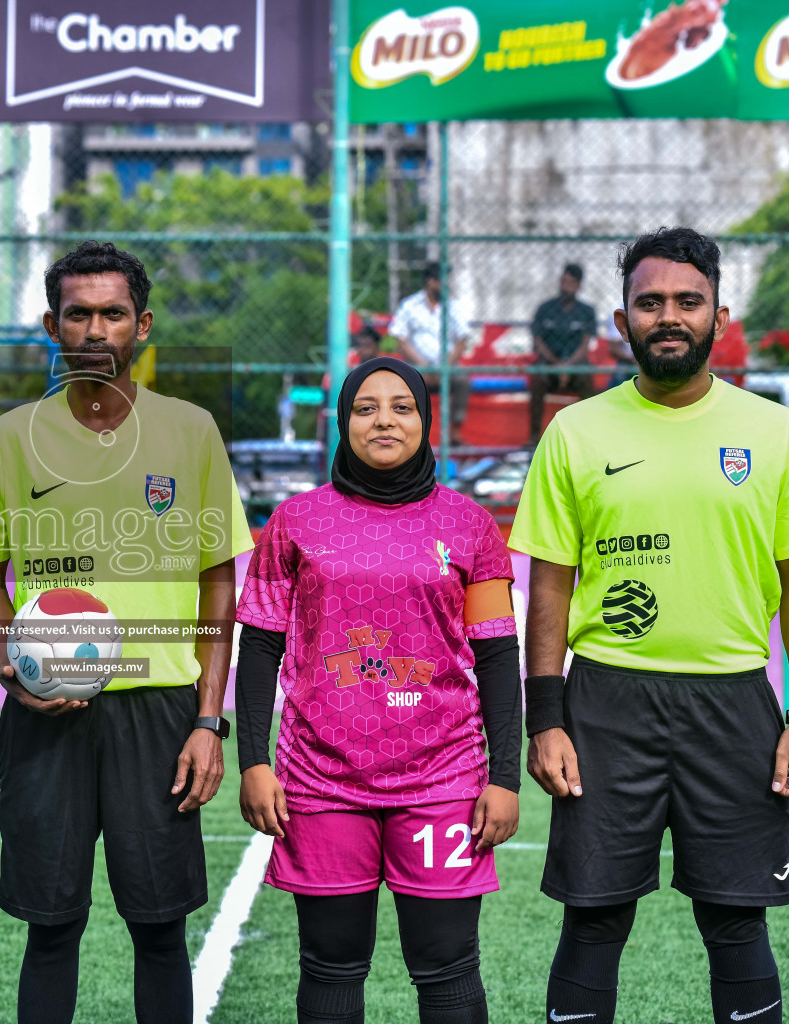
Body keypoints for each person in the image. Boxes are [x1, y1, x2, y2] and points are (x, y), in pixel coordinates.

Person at [511, 227, 789, 1024]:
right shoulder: (576, 432)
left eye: (687, 302)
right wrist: (545, 719)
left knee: (734, 919)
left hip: (733, 701)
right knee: (594, 917)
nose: (669, 317)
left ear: (719, 316)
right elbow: (549, 587)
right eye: (649, 302)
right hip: (606, 704)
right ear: (620, 322)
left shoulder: (772, 432)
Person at [0, 241, 253, 1024]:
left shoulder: (191, 431)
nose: (96, 330)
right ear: (51, 326)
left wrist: (207, 719)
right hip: (44, 716)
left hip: (160, 712)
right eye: (79, 314)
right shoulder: (11, 436)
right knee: (51, 930)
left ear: (143, 325)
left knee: (159, 930)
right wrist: (9, 667)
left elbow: (217, 581)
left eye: (113, 313)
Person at [235, 357, 522, 1024]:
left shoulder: (471, 526)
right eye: (366, 408)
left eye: (402, 407)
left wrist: (504, 777)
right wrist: (254, 761)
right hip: (322, 780)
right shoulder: (295, 522)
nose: (385, 420)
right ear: (342, 423)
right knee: (331, 967)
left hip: (445, 779)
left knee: (448, 968)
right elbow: (260, 646)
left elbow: (499, 658)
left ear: (425, 421)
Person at [387, 262, 473, 429]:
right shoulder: (410, 305)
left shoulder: (453, 307)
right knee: (401, 382)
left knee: (462, 380)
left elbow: (462, 340)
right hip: (417, 367)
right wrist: (422, 365)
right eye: (442, 280)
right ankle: (406, 431)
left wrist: (444, 366)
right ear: (431, 281)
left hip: (446, 368)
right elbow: (400, 339)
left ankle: (455, 433)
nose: (446, 284)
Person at [529, 263, 598, 442]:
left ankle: (588, 435)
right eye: (563, 281)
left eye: (570, 282)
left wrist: (568, 367)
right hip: (550, 362)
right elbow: (538, 341)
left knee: (586, 377)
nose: (565, 286)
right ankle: (534, 435)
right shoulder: (545, 308)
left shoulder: (586, 311)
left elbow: (585, 344)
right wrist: (557, 365)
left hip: (575, 362)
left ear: (578, 285)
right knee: (538, 377)